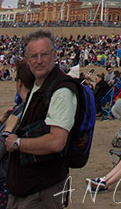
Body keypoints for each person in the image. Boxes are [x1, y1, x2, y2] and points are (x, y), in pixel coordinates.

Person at [5, 30, 79, 208]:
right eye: (34, 56)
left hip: (42, 190)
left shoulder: (61, 91)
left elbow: (56, 142)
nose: (39, 60)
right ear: (27, 59)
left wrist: (18, 144)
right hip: (27, 187)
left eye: (44, 54)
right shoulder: (40, 85)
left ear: (54, 55)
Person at [0, 61, 35, 208]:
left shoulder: (22, 112)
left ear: (19, 83)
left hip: (9, 179)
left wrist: (6, 131)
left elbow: (2, 148)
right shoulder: (34, 106)